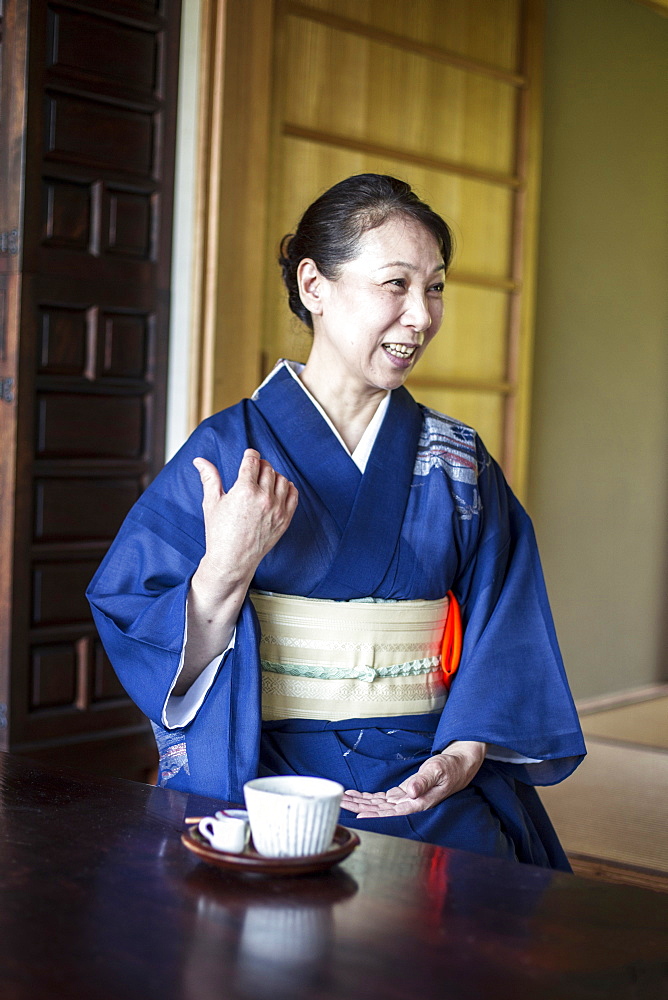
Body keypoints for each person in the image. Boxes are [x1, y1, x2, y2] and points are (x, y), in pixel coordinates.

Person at [87, 174, 585, 870]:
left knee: (481, 902)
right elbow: (132, 611)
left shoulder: (458, 461)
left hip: (426, 771)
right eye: (396, 284)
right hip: (266, 770)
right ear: (314, 285)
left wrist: (464, 753)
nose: (422, 316)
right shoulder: (230, 453)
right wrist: (225, 567)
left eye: (435, 287)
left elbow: (509, 622)